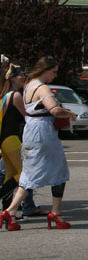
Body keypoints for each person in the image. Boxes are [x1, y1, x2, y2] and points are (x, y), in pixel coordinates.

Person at [1, 57, 77, 231]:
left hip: (32, 131)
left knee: (29, 174)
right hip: (43, 133)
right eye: (54, 71)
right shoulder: (42, 87)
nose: (55, 75)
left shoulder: (29, 85)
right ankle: (55, 213)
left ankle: (10, 212)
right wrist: (70, 114)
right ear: (45, 70)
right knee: (59, 170)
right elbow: (54, 110)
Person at [0, 63, 46, 218]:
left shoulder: (5, 95)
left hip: (5, 140)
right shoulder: (16, 95)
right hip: (12, 139)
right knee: (25, 175)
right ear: (12, 78)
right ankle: (10, 208)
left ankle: (7, 214)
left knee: (11, 174)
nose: (23, 77)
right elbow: (28, 117)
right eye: (20, 75)